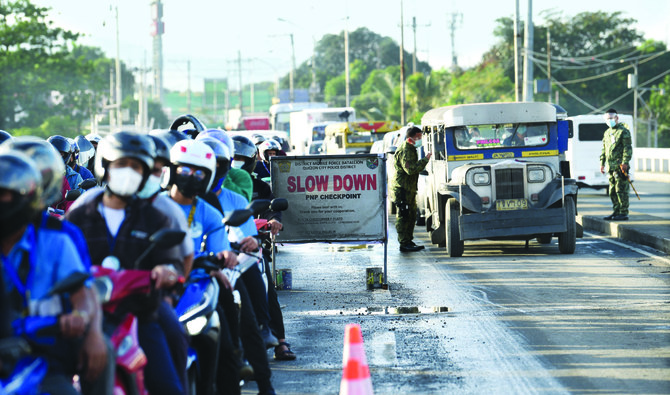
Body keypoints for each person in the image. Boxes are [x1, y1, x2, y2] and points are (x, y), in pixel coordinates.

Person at [65, 131, 188, 395]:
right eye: (122, 164)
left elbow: (174, 264)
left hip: (140, 313)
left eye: (136, 167)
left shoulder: (157, 217)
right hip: (83, 315)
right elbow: (62, 260)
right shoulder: (80, 214)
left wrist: (167, 273)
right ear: (105, 166)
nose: (128, 172)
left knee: (170, 378)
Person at [0, 152, 109, 395]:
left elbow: (81, 291)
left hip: (40, 353)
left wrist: (81, 318)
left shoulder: (58, 240)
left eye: (4, 194)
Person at [391, 125, 431, 252]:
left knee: (412, 215)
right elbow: (410, 169)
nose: (420, 139)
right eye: (418, 137)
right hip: (402, 189)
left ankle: (408, 240)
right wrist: (425, 160)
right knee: (404, 215)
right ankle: (403, 243)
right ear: (410, 138)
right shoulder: (406, 150)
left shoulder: (411, 148)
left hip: (409, 188)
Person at [600, 108, 633, 221]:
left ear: (616, 118)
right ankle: (616, 211)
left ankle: (623, 212)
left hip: (620, 166)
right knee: (612, 191)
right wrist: (602, 163)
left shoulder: (623, 131)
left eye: (611, 118)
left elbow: (627, 149)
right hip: (610, 167)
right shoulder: (607, 133)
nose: (609, 120)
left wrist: (625, 162)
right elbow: (604, 149)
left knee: (621, 190)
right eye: (607, 118)